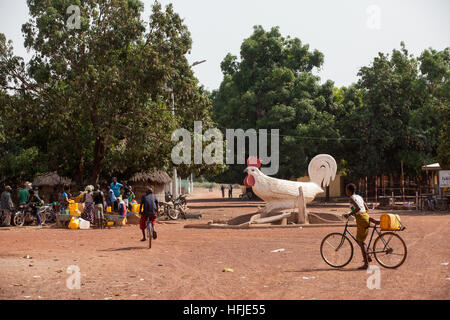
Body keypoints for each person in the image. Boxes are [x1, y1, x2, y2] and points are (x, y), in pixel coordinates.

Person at [343, 183, 379, 270]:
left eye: (346, 190)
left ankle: (366, 264)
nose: (346, 191)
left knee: (360, 241)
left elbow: (358, 208)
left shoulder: (351, 198)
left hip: (361, 219)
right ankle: (368, 256)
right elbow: (366, 208)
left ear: (349, 190)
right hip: (365, 216)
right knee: (361, 240)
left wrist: (349, 214)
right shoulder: (359, 197)